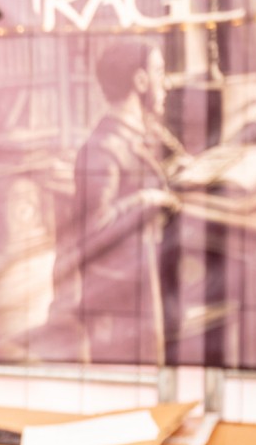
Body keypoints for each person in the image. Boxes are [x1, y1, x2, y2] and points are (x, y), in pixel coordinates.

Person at [73, 40, 186, 365]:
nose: (166, 84)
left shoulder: (139, 133)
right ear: (139, 81)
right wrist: (146, 199)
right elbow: (95, 227)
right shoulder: (104, 148)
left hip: (145, 282)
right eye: (159, 72)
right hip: (123, 301)